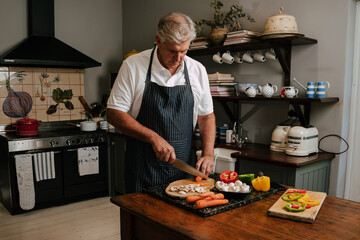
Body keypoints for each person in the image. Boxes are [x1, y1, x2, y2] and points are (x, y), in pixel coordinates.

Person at [106, 12, 216, 193]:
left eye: (184, 51)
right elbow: (114, 113)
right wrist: (153, 137)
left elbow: (206, 117)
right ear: (158, 40)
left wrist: (208, 154)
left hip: (183, 173)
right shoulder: (133, 66)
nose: (179, 58)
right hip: (143, 171)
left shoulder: (197, 70)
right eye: (172, 51)